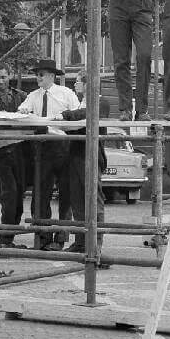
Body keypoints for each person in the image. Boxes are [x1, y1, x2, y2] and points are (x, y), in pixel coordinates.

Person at [17, 58, 79, 250]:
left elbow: (78, 115)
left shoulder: (66, 93)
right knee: (40, 193)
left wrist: (63, 120)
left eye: (41, 74)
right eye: (37, 75)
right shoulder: (33, 96)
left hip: (63, 145)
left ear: (52, 76)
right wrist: (24, 110)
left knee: (66, 194)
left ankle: (60, 238)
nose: (38, 78)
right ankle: (43, 237)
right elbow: (22, 111)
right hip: (42, 147)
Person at [57, 72, 110, 255]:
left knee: (94, 200)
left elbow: (88, 114)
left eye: (78, 81)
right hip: (75, 154)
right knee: (77, 200)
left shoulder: (100, 101)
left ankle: (95, 245)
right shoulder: (80, 102)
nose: (75, 85)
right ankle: (81, 242)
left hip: (91, 155)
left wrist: (65, 115)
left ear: (88, 84)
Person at [0, 64, 28, 248]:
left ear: (10, 76)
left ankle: (8, 236)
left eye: (3, 77)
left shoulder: (22, 96)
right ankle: (5, 239)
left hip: (21, 152)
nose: (0, 81)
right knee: (9, 194)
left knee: (18, 195)